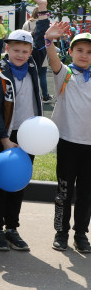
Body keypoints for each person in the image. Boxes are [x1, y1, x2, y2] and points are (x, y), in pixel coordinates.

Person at [0, 0, 50, 253]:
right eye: (16, 50)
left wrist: (43, 9)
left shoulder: (34, 66)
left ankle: (12, 227)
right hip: (5, 136)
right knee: (2, 182)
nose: (21, 55)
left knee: (20, 182)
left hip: (30, 136)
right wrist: (3, 139)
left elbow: (44, 38)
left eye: (25, 50)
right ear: (7, 48)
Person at [46, 27, 91, 253]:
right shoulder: (65, 74)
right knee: (64, 192)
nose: (84, 55)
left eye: (89, 52)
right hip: (67, 143)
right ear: (70, 52)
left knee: (86, 193)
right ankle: (61, 232)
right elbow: (53, 58)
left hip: (90, 147)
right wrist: (49, 40)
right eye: (80, 50)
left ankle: (81, 233)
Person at [23, 9, 52, 102]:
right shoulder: (45, 25)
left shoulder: (27, 23)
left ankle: (30, 95)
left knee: (29, 75)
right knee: (42, 74)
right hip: (40, 51)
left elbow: (23, 37)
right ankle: (45, 95)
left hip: (28, 52)